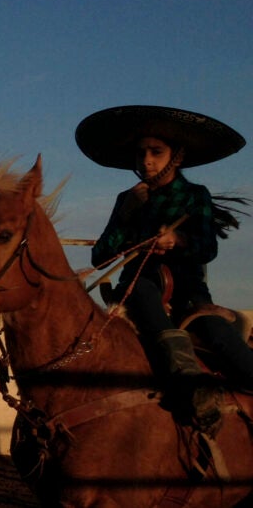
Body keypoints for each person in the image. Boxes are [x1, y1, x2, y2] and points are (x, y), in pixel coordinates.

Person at [76, 105, 253, 432]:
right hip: (134, 293)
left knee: (225, 341)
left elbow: (208, 248)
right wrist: (126, 214)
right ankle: (187, 377)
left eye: (156, 152)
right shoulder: (126, 199)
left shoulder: (194, 196)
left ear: (176, 156)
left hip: (189, 295)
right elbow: (100, 258)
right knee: (141, 288)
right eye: (141, 153)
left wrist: (178, 240)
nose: (146, 160)